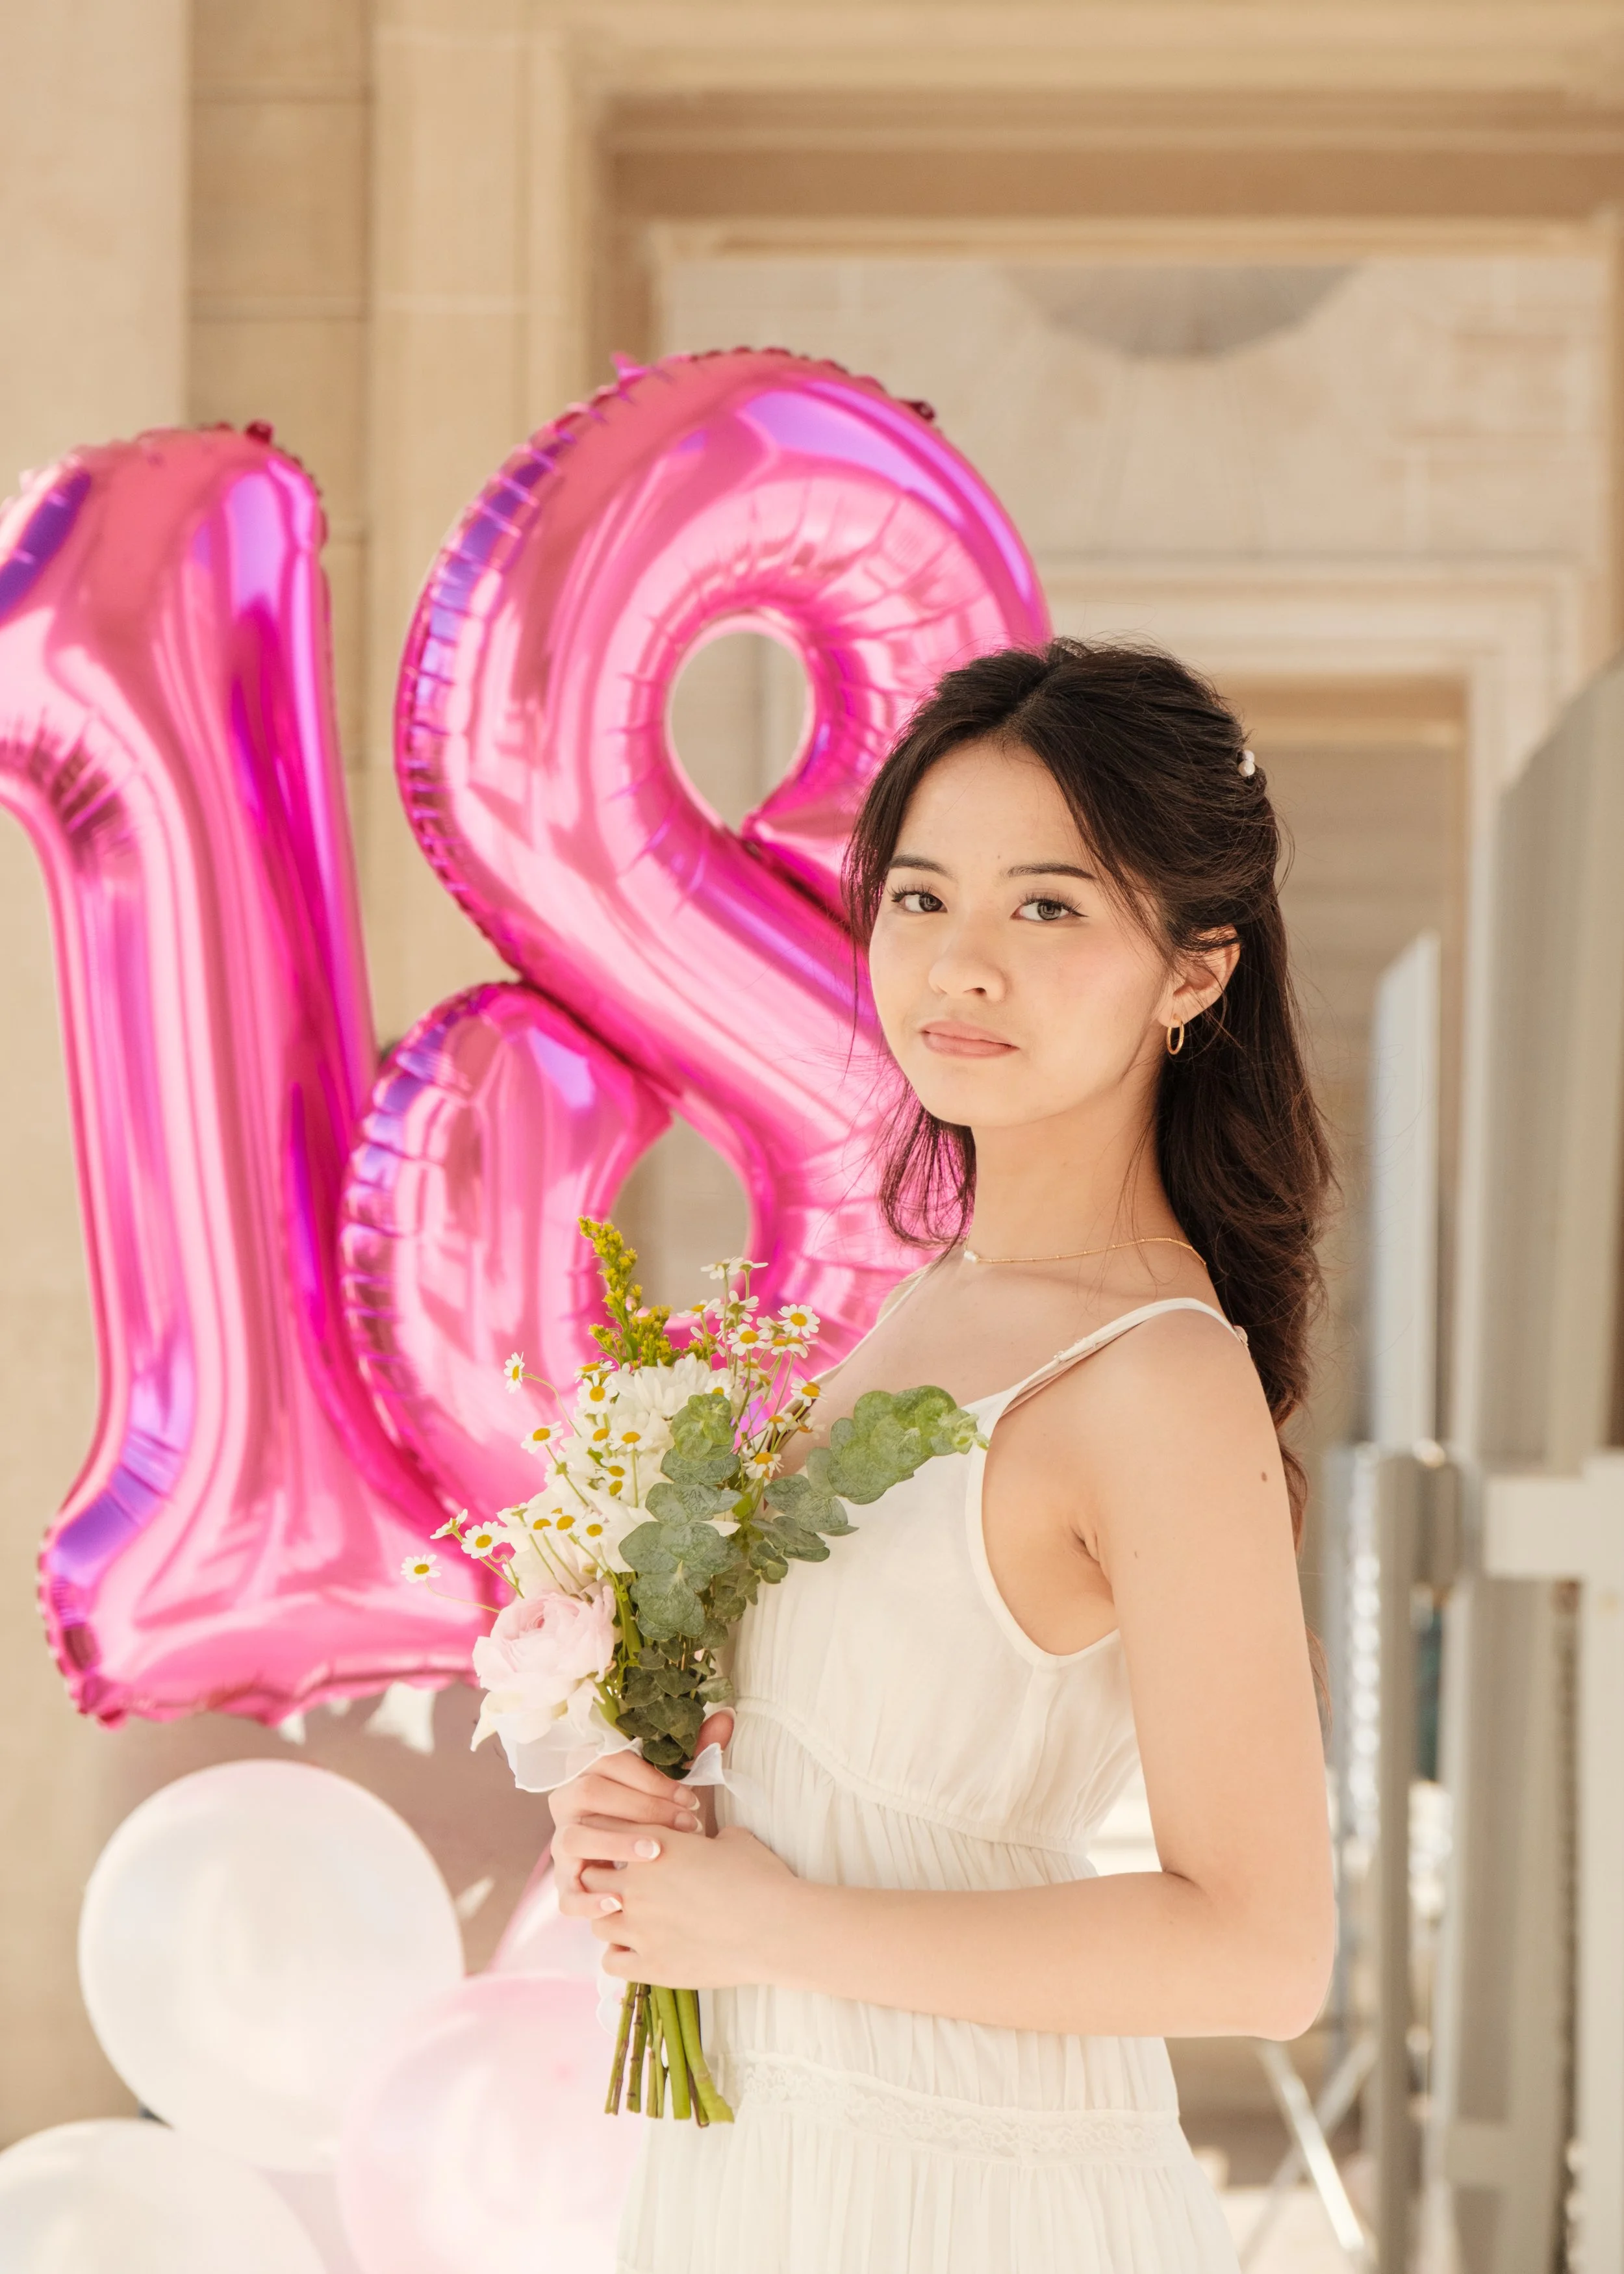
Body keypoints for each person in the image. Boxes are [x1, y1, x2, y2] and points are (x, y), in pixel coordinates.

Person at [554, 638, 1336, 2273]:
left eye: (1046, 907)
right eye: (920, 899)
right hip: (767, 2158)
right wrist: (656, 1822)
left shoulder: (1158, 1379)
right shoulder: (919, 1308)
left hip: (964, 2189)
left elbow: (1263, 1950)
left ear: (1193, 965)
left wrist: (776, 1924)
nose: (959, 965)